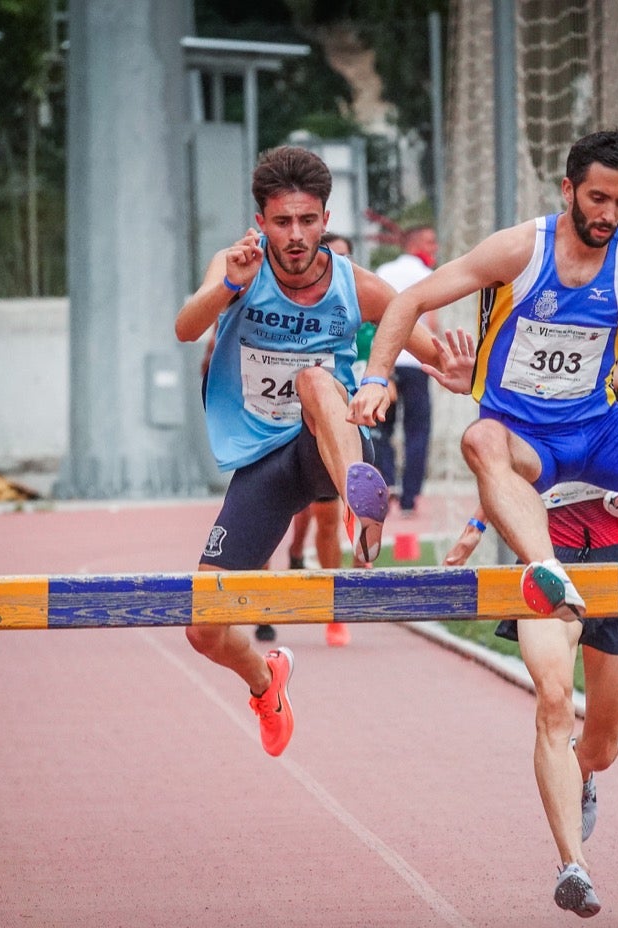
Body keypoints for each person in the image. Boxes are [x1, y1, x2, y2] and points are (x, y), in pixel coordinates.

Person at [351, 129, 618, 624]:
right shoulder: (520, 250)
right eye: (597, 198)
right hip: (523, 438)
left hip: (599, 432)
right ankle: (545, 569)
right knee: (480, 437)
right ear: (568, 189)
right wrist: (374, 377)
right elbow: (410, 300)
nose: (607, 215)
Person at [174, 146, 458, 757]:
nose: (296, 235)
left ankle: (361, 500)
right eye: (282, 222)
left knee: (315, 381)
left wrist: (454, 368)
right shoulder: (238, 268)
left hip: (340, 438)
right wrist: (229, 284)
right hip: (265, 462)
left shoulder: (356, 284)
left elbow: (431, 349)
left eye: (308, 221)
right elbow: (186, 327)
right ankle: (264, 683)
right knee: (203, 626)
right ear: (262, 221)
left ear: (326, 218)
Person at [444, 337, 618, 919]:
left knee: (604, 744)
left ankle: (584, 771)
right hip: (547, 557)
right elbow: (500, 461)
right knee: (553, 700)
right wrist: (475, 520)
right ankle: (574, 866)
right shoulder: (521, 357)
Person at [270, 231, 357, 648]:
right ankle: (263, 595)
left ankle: (333, 611)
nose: (334, 268)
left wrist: (382, 383)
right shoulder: (270, 298)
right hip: (270, 429)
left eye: (343, 261)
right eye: (331, 257)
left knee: (325, 518)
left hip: (326, 428)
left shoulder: (355, 305)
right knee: (284, 517)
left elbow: (384, 351)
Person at [373, 225, 441, 512]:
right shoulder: (427, 276)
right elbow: (433, 323)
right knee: (417, 429)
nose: (435, 247)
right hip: (416, 361)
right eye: (430, 241)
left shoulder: (384, 272)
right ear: (414, 244)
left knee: (381, 426)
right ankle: (410, 497)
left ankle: (387, 483)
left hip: (387, 360)